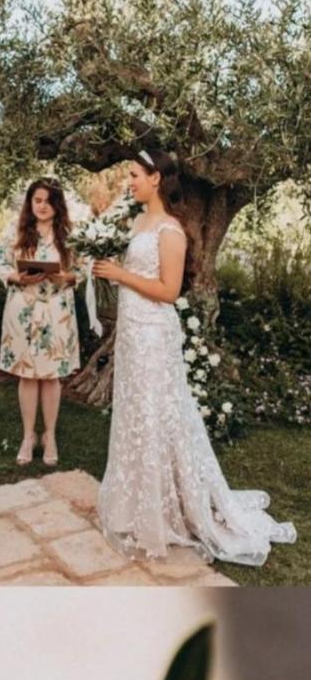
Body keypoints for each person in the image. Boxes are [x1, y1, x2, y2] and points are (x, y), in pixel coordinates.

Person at [93, 149, 295, 565]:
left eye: (133, 175)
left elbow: (168, 291)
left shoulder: (172, 231)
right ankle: (134, 504)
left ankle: (167, 510)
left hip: (154, 337)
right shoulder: (137, 221)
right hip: (132, 335)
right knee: (134, 415)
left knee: (157, 416)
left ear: (155, 179)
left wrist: (120, 274)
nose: (128, 182)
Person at [0, 179, 82, 466]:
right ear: (30, 203)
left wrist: (68, 277)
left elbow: (85, 269)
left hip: (57, 310)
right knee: (28, 374)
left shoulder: (70, 235)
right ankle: (28, 435)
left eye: (48, 200)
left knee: (52, 375)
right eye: (37, 200)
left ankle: (51, 435)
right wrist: (16, 277)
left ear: (58, 204)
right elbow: (1, 264)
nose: (42, 206)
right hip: (23, 310)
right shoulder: (15, 230)